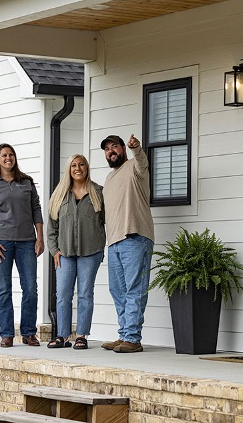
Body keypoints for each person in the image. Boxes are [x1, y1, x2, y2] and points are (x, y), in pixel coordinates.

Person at [0, 143, 45, 348]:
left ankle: (29, 333)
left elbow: (36, 210)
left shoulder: (27, 182)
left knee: (30, 287)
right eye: (4, 155)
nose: (8, 158)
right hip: (1, 243)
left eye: (11, 154)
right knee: (4, 288)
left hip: (26, 242)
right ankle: (7, 334)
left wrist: (39, 238)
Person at [100, 134, 154, 353]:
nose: (111, 151)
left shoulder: (135, 167)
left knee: (134, 290)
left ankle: (133, 338)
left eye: (115, 147)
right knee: (117, 291)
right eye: (107, 149)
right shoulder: (109, 178)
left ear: (123, 148)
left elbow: (142, 161)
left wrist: (137, 148)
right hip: (114, 241)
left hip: (135, 236)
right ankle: (124, 335)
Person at [46, 155, 106, 350]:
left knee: (85, 294)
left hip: (91, 252)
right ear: (68, 169)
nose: (78, 168)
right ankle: (62, 335)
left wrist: (102, 248)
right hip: (64, 253)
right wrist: (54, 250)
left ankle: (81, 335)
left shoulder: (98, 192)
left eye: (81, 165)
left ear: (87, 168)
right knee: (63, 294)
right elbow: (51, 227)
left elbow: (107, 223)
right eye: (74, 165)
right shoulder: (59, 195)